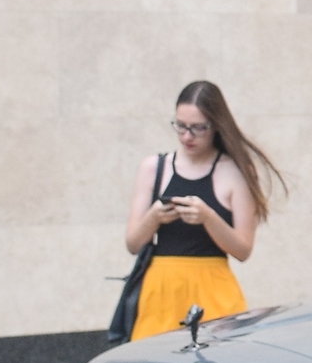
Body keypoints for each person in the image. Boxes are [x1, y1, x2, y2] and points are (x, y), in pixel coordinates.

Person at [122, 80, 284, 342]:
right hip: (160, 290)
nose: (187, 136)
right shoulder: (154, 168)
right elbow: (132, 243)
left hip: (213, 287)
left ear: (216, 126)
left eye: (198, 128)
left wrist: (208, 218)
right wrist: (153, 217)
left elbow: (243, 250)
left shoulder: (235, 172)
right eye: (181, 126)